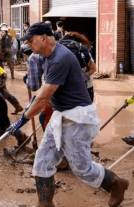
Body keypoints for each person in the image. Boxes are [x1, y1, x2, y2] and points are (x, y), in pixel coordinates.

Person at [11, 22, 129, 207]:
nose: (28, 46)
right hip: (61, 115)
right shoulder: (46, 57)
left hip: (77, 118)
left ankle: (116, 183)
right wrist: (29, 108)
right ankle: (45, 204)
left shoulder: (60, 58)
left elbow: (44, 98)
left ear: (43, 38)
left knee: (82, 169)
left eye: (31, 41)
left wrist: (23, 119)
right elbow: (43, 92)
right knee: (42, 161)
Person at [60, 32, 96, 101]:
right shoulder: (83, 51)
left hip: (84, 87)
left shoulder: (83, 52)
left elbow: (93, 68)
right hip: (82, 88)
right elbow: (93, 68)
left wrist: (82, 77)